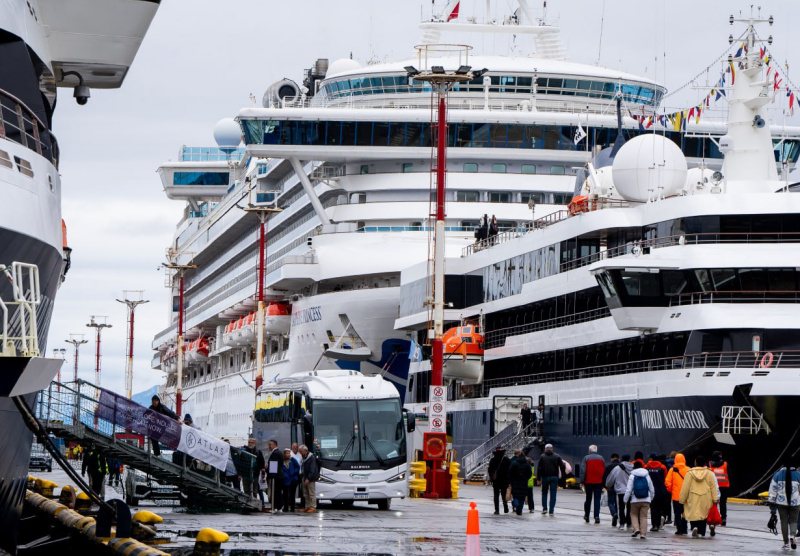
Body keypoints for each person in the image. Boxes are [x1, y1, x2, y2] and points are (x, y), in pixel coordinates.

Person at [680, 455, 719, 538]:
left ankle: (694, 527)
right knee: (704, 514)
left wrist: (682, 499)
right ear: (704, 463)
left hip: (693, 496)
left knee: (693, 512)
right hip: (706, 496)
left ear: (695, 463)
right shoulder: (709, 473)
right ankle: (702, 531)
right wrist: (715, 499)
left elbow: (685, 487)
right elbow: (713, 487)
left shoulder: (690, 473)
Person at [768, 458, 800, 550]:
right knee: (794, 520)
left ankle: (786, 543)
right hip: (795, 502)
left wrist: (772, 502)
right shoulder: (798, 475)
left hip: (781, 503)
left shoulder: (777, 475)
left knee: (784, 522)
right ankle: (792, 536)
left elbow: (772, 490)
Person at [624, 460, 655, 539]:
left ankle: (636, 529)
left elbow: (628, 489)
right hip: (646, 500)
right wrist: (651, 498)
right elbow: (652, 489)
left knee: (633, 514)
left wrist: (625, 499)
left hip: (635, 499)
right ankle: (643, 534)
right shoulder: (647, 475)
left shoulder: (632, 476)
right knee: (644, 517)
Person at [537, 443, 566, 515]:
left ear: (545, 449)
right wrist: (563, 475)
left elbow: (539, 468)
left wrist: (538, 478)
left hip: (545, 477)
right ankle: (551, 510)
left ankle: (544, 509)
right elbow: (562, 466)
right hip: (554, 477)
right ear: (552, 449)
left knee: (544, 493)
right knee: (553, 494)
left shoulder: (542, 457)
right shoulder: (557, 456)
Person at [580, 445, 606, 524]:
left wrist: (581, 481)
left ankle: (587, 516)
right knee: (597, 499)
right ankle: (597, 516)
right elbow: (603, 470)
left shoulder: (586, 458)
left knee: (588, 499)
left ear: (590, 450)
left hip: (588, 482)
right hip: (599, 482)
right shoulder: (601, 458)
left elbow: (583, 470)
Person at [606, 454, 633, 530]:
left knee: (621, 508)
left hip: (621, 491)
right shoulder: (633, 467)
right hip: (631, 491)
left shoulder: (617, 468)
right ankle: (629, 523)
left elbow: (611, 478)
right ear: (630, 459)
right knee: (629, 508)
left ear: (621, 459)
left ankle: (622, 524)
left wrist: (608, 485)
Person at [665, 453, 689, 535]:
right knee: (684, 512)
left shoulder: (672, 470)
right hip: (686, 496)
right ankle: (685, 528)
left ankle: (679, 529)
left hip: (676, 496)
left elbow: (667, 482)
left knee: (677, 513)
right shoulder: (688, 469)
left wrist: (671, 490)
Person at [644, 453, 668, 532]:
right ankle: (659, 523)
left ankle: (654, 525)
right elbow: (665, 478)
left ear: (651, 459)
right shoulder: (662, 467)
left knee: (653, 508)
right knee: (659, 508)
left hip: (650, 491)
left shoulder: (646, 468)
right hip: (661, 491)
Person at [241, 437, 266, 508]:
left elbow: (262, 462)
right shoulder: (245, 450)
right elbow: (241, 460)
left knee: (254, 489)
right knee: (246, 489)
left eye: (251, 442)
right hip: (245, 473)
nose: (250, 444)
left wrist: (262, 472)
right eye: (249, 442)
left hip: (255, 473)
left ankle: (254, 503)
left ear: (254, 443)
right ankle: (247, 503)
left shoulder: (258, 452)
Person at [709, 450, 730, 526]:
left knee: (714, 503)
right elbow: (730, 474)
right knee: (723, 503)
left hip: (714, 487)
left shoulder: (710, 464)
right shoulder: (725, 464)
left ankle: (714, 518)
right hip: (724, 486)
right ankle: (723, 518)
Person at [508, 450, 532, 516]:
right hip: (524, 482)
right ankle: (520, 510)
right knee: (522, 497)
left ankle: (516, 505)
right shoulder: (527, 464)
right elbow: (530, 474)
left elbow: (510, 472)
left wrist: (510, 480)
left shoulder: (514, 463)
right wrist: (526, 478)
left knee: (515, 496)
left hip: (515, 482)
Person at [487, 446, 511, 514]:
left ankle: (497, 510)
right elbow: (509, 470)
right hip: (504, 480)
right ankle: (505, 506)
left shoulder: (493, 460)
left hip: (496, 480)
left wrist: (491, 478)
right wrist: (509, 481)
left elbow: (490, 470)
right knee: (504, 494)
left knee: (496, 495)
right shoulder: (506, 459)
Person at [300, 444, 320, 513]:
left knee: (311, 493)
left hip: (310, 479)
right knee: (306, 493)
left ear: (305, 451)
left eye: (301, 451)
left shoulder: (311, 458)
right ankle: (307, 506)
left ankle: (313, 506)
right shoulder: (304, 457)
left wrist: (308, 478)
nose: (300, 453)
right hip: (304, 477)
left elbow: (312, 469)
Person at [603, 453, 622, 527]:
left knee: (611, 502)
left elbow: (604, 477)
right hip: (620, 487)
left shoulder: (608, 466)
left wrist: (605, 486)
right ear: (619, 458)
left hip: (611, 487)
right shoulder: (621, 466)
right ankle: (616, 516)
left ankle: (614, 514)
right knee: (617, 504)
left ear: (611, 459)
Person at [265, 439, 283, 512]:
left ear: (275, 445)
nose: (269, 446)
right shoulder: (279, 452)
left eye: (270, 444)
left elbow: (274, 466)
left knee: (275, 492)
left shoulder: (275, 453)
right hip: (278, 476)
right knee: (277, 492)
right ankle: (278, 507)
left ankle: (275, 507)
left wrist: (267, 469)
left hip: (275, 477)